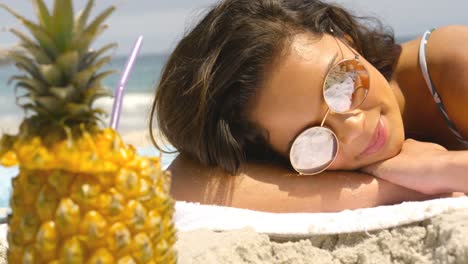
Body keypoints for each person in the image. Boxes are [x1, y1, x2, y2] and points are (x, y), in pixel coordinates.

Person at [150, 0, 468, 213]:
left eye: (341, 83)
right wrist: (395, 186)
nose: (354, 129)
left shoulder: (453, 67)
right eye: (312, 138)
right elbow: (182, 181)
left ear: (347, 40)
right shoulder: (304, 163)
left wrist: (444, 168)